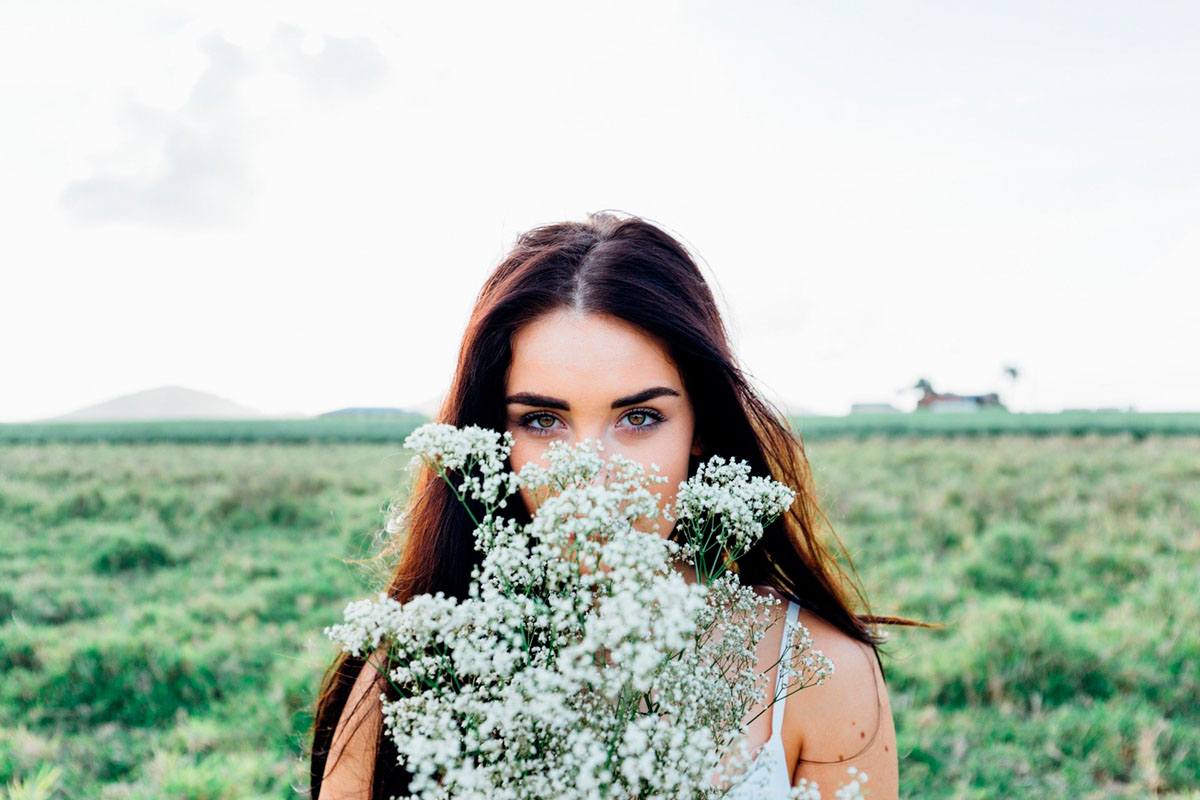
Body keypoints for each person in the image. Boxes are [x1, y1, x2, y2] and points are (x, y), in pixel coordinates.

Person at [309, 211, 925, 799]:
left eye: (639, 417)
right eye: (542, 419)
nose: (592, 477)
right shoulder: (414, 668)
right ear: (490, 440)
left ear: (699, 429)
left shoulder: (821, 674)